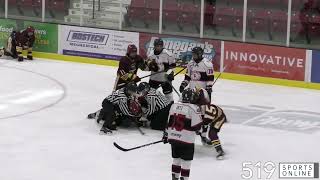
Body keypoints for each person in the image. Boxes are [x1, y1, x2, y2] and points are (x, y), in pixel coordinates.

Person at [163, 88, 203, 180]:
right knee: (186, 162)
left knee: (176, 159)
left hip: (173, 139)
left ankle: (174, 177)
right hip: (186, 140)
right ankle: (184, 178)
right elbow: (197, 127)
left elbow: (168, 123)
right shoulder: (194, 108)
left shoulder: (173, 106)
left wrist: (166, 135)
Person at [147, 38, 176, 103]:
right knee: (150, 95)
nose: (158, 47)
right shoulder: (151, 55)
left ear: (162, 46)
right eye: (157, 46)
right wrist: (149, 66)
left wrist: (170, 74)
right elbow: (149, 67)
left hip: (165, 78)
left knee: (169, 95)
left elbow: (172, 66)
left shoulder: (168, 54)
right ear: (154, 46)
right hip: (154, 78)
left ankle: (170, 108)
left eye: (160, 46)